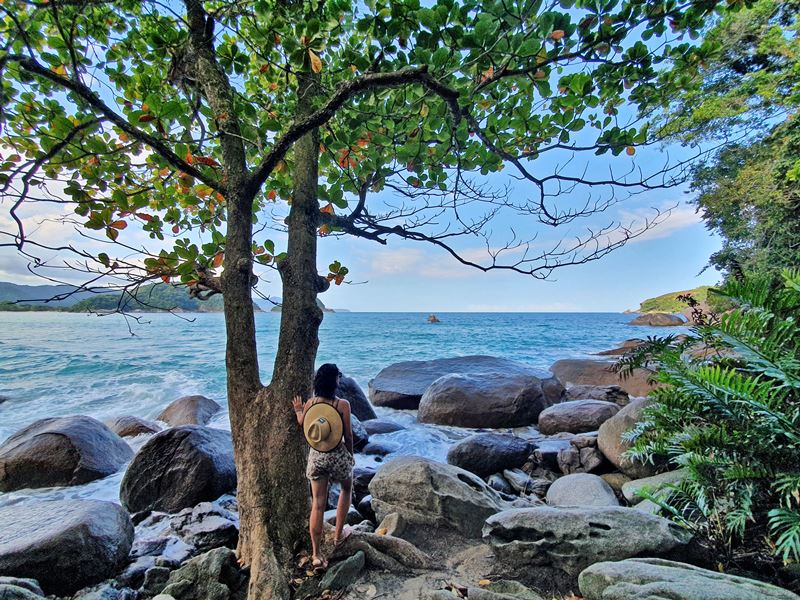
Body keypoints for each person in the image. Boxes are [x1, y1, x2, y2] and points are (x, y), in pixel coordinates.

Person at [292, 363, 354, 571]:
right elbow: (348, 436)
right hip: (336, 456)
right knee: (347, 488)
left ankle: (316, 555)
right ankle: (338, 537)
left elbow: (303, 423)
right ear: (335, 381)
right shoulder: (342, 405)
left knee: (318, 504)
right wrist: (350, 455)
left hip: (317, 457)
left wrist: (299, 410)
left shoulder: (311, 403)